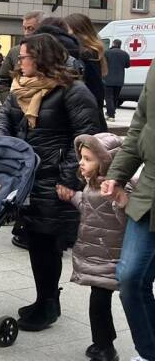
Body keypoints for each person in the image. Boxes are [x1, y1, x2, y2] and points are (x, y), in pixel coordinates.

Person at [0, 33, 101, 332]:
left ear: (41, 58)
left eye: (24, 57)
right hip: (28, 177)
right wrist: (4, 145)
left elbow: (87, 138)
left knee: (47, 242)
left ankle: (49, 304)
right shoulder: (21, 88)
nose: (19, 63)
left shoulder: (73, 91)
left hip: (54, 180)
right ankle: (45, 299)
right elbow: (5, 120)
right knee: (36, 240)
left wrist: (70, 178)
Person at [102, 63, 155, 361]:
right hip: (149, 190)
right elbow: (139, 126)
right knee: (131, 277)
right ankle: (149, 352)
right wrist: (118, 174)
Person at [70, 132, 129, 361]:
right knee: (98, 301)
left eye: (87, 159)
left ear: (105, 161)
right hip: (97, 252)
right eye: (81, 157)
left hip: (112, 254)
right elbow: (89, 206)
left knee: (99, 301)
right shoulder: (91, 184)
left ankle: (105, 347)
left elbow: (129, 214)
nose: (81, 163)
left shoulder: (118, 185)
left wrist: (118, 201)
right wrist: (71, 196)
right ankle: (102, 342)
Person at [66, 13, 108, 129]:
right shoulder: (91, 51)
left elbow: (95, 89)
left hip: (86, 113)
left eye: (67, 29)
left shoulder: (86, 53)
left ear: (77, 30)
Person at [0, 11, 45, 105]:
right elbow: (2, 81)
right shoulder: (15, 52)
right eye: (24, 28)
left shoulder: (53, 51)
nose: (26, 33)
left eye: (31, 29)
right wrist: (10, 104)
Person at [103, 39, 130, 121]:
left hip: (108, 79)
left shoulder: (107, 53)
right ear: (120, 44)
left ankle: (111, 115)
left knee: (108, 98)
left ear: (113, 43)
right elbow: (127, 65)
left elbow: (103, 64)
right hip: (119, 80)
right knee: (115, 98)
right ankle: (111, 112)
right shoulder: (125, 54)